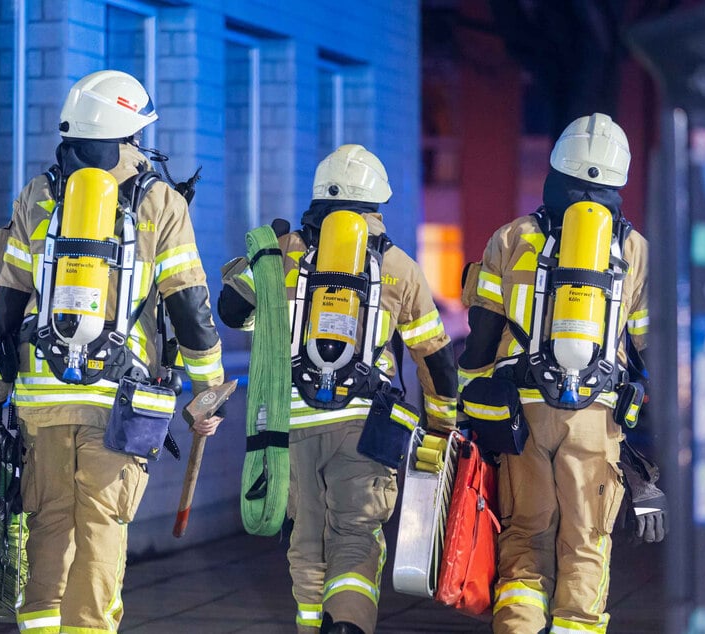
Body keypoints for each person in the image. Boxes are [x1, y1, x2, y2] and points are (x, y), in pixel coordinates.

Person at [0, 70, 225, 633]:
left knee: (48, 527)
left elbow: (6, 305)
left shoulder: (37, 196)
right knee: (102, 530)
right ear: (124, 133)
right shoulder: (160, 202)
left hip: (41, 402)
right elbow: (190, 309)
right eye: (136, 134)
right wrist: (207, 395)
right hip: (120, 403)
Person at [218, 144, 458, 634]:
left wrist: (262, 254)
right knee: (356, 535)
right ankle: (346, 625)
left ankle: (314, 625)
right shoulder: (400, 267)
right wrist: (442, 422)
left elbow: (230, 312)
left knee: (306, 544)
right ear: (375, 204)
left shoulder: (283, 253)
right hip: (367, 427)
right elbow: (434, 355)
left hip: (292, 425)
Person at [457, 113, 651, 634]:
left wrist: (466, 403)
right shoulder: (634, 250)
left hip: (523, 412)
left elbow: (479, 336)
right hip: (599, 415)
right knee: (587, 540)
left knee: (524, 536)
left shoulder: (512, 236)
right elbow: (645, 341)